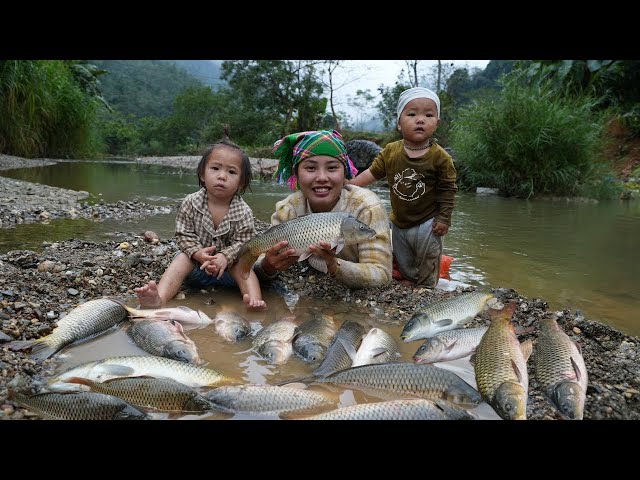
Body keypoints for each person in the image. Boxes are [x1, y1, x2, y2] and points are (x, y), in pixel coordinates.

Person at [135, 135, 266, 309]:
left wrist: (225, 257)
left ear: (241, 183)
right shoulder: (191, 202)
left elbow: (245, 243)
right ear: (202, 174)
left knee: (244, 266)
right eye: (215, 168)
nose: (222, 176)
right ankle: (159, 297)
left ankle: (254, 301)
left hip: (228, 272)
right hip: (197, 268)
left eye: (231, 172)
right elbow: (183, 234)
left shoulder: (244, 211)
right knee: (182, 259)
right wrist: (197, 253)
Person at [253, 129, 392, 288]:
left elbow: (382, 274)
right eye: (311, 168)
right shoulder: (288, 209)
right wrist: (268, 266)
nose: (322, 178)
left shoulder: (367, 206)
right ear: (296, 174)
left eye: (332, 168)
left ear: (345, 173)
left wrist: (335, 265)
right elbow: (258, 265)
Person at [350, 87, 457, 287]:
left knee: (429, 256)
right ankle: (409, 279)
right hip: (399, 220)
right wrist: (348, 186)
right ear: (399, 123)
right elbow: (371, 174)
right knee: (403, 257)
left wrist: (444, 219)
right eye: (412, 114)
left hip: (428, 221)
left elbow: (448, 190)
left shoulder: (440, 157)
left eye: (428, 114)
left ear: (437, 123)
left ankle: (426, 287)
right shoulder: (391, 151)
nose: (420, 119)